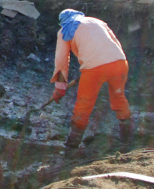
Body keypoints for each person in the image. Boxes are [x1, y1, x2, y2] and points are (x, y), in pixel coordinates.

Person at [50, 9, 131, 152]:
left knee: (84, 104)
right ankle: (127, 138)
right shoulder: (97, 21)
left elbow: (61, 62)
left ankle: (71, 146)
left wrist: (59, 88)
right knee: (119, 97)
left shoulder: (64, 30)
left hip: (94, 69)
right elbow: (115, 43)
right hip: (120, 63)